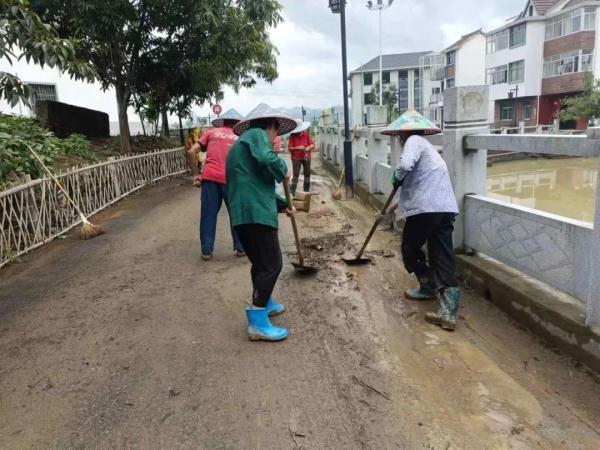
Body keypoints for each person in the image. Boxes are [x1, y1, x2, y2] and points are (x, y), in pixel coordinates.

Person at [381, 109, 461, 331]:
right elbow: (416, 183)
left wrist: (395, 176)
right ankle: (448, 312)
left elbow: (404, 167)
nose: (399, 137)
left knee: (409, 248)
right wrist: (390, 207)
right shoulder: (427, 148)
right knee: (442, 255)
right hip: (443, 207)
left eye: (399, 134)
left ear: (402, 133)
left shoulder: (414, 141)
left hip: (427, 209)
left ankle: (427, 285)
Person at [227, 105, 298, 342]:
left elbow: (261, 183)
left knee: (260, 263)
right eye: (276, 132)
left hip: (245, 213)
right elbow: (270, 161)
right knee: (272, 264)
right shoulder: (256, 135)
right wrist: (283, 169)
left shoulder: (244, 147)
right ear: (270, 125)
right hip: (255, 213)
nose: (275, 138)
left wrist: (284, 206)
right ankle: (257, 321)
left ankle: (265, 302)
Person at [191, 111, 244, 261]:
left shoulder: (211, 133)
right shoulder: (240, 138)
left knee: (208, 215)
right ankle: (240, 248)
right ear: (237, 123)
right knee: (236, 214)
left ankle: (206, 251)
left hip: (209, 177)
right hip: (231, 180)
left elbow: (191, 151)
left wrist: (196, 175)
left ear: (223, 121)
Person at [287, 122, 315, 195]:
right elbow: (289, 148)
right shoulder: (292, 136)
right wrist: (297, 148)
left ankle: (306, 191)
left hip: (306, 156)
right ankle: (292, 192)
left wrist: (309, 147)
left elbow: (312, 144)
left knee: (307, 173)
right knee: (296, 174)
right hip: (296, 157)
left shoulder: (305, 134)